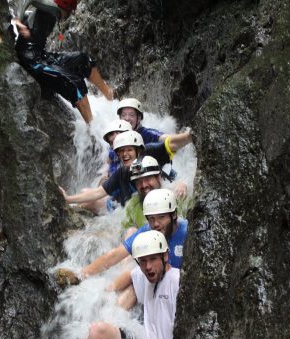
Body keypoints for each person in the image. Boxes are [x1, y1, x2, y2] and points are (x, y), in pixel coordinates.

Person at [38, 230, 180, 339]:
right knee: (97, 330)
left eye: (152, 259)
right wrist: (100, 288)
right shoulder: (143, 275)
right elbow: (129, 275)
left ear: (165, 256)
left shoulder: (177, 282)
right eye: (142, 261)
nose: (147, 266)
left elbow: (187, 333)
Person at [12, 0, 114, 123]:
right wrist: (18, 21)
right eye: (71, 10)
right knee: (74, 83)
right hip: (31, 60)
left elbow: (31, 17)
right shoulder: (53, 8)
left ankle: (109, 96)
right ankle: (93, 128)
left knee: (83, 59)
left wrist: (23, 21)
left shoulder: (51, 11)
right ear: (66, 6)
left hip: (41, 55)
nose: (71, 14)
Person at [60, 131, 192, 208]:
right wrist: (68, 199)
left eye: (129, 149)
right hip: (131, 208)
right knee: (87, 202)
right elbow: (97, 193)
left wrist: (190, 136)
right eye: (121, 151)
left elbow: (173, 144)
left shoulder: (151, 151)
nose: (125, 154)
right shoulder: (121, 173)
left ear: (139, 150)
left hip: (162, 200)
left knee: (179, 191)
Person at [117, 98, 193, 146]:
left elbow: (165, 139)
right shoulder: (116, 136)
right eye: (123, 115)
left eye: (132, 115)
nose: (127, 118)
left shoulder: (146, 134)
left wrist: (189, 136)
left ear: (139, 118)